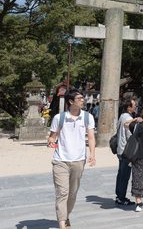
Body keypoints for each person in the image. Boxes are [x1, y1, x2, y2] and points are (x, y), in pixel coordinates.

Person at [47, 89, 96, 229]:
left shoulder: (87, 117)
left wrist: (92, 154)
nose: (82, 100)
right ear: (70, 101)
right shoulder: (59, 118)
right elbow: (52, 136)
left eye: (82, 98)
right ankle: (62, 224)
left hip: (79, 160)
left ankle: (66, 215)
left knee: (72, 193)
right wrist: (51, 142)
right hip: (60, 160)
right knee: (62, 192)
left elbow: (91, 137)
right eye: (79, 98)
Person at [114, 97, 139, 206]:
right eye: (134, 105)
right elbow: (130, 135)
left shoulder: (122, 116)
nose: (135, 107)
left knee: (121, 174)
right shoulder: (127, 118)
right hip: (126, 150)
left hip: (121, 148)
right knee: (124, 175)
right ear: (129, 107)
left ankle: (119, 196)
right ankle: (121, 197)